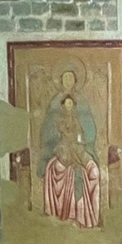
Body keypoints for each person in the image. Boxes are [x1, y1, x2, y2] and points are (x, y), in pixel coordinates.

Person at [42, 95, 101, 228]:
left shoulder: (76, 118)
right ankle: (64, 214)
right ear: (63, 105)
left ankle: (85, 216)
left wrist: (79, 139)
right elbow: (60, 131)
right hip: (64, 146)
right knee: (63, 163)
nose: (69, 105)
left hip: (76, 147)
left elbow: (80, 133)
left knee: (91, 168)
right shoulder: (61, 119)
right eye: (67, 103)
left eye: (71, 103)